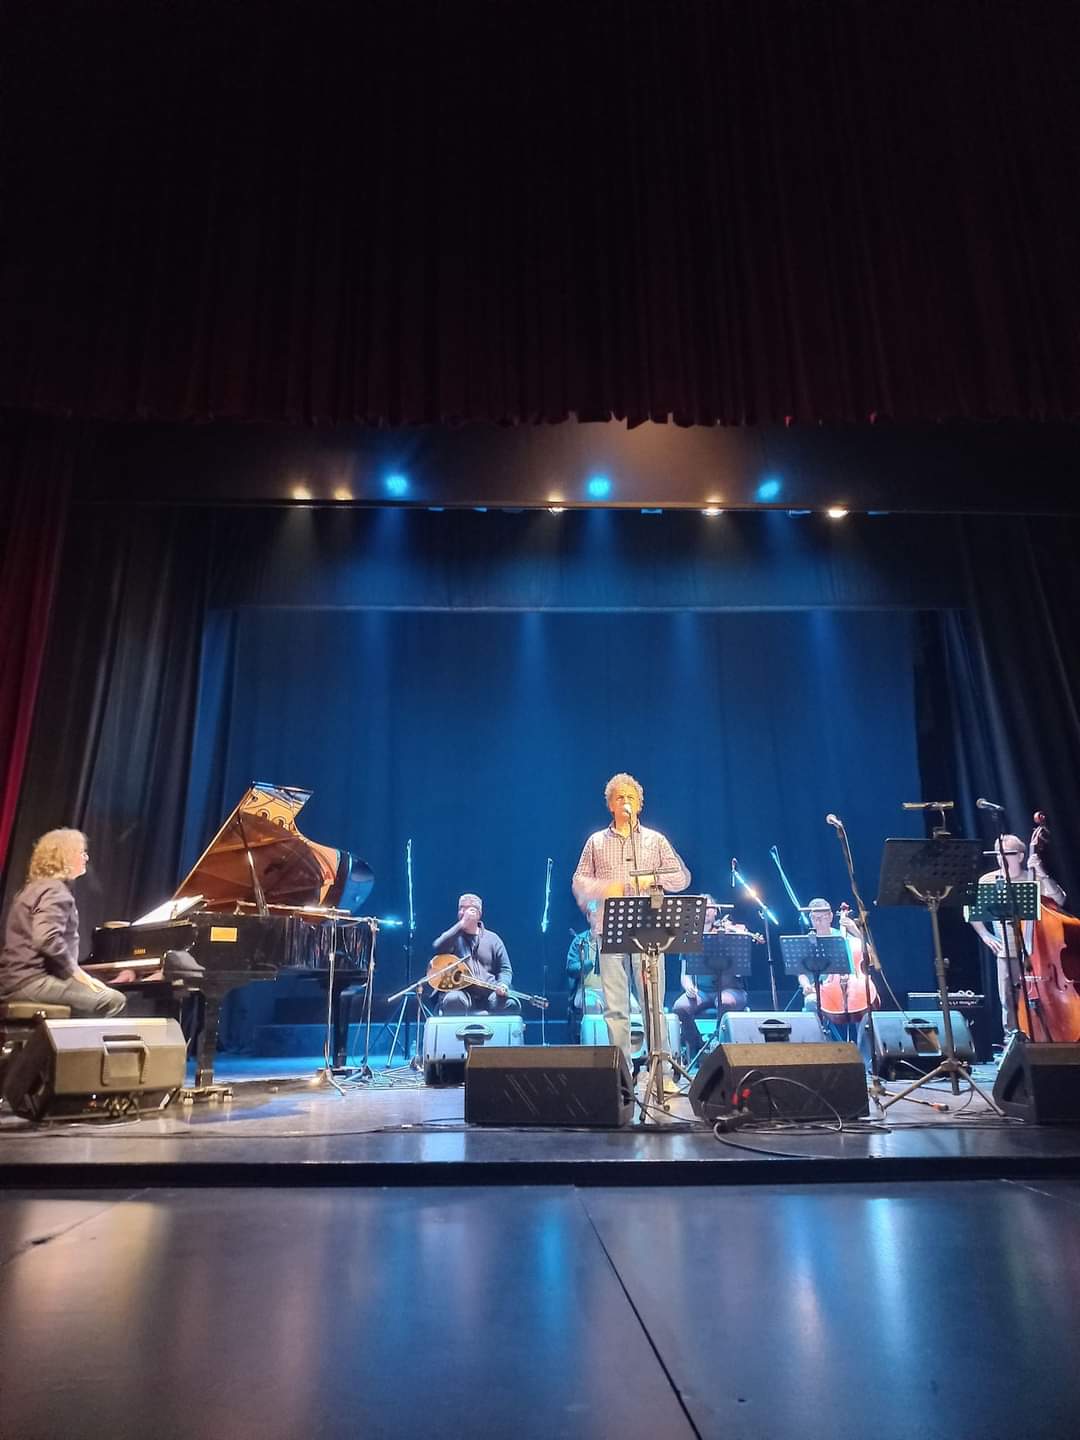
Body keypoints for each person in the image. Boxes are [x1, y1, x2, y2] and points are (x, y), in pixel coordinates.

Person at [572, 772, 691, 1084]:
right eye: (619, 797)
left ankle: (661, 1073)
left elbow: (681, 877)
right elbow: (579, 882)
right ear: (610, 805)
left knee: (653, 1004)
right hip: (609, 927)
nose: (625, 802)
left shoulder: (655, 840)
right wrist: (605, 888)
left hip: (650, 930)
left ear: (639, 804)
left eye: (631, 798)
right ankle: (622, 1074)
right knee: (615, 1007)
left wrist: (653, 878)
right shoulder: (596, 842)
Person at [0, 829, 125, 1016]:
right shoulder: (56, 891)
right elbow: (46, 938)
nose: (86, 857)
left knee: (92, 990)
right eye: (82, 852)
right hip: (31, 981)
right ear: (65, 856)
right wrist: (76, 972)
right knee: (113, 1000)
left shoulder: (33, 888)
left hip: (14, 980)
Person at [969, 833, 1065, 1040]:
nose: (1001, 858)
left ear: (1020, 856)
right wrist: (985, 935)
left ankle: (1046, 1037)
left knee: (1042, 997)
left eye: (1007, 853)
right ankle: (1012, 1041)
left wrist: (1040, 871)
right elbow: (970, 911)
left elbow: (1060, 900)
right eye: (998, 854)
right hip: (1007, 951)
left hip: (1038, 951)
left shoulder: (1033, 877)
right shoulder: (988, 880)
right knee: (1008, 999)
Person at [673, 898, 750, 1056]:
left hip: (730, 989)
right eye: (701, 907)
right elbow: (685, 973)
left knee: (725, 1001)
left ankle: (720, 1045)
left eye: (709, 907)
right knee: (680, 1007)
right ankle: (697, 1045)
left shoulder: (725, 932)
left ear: (715, 911)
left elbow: (744, 943)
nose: (705, 910)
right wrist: (688, 986)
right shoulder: (690, 936)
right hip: (702, 991)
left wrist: (735, 932)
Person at [430, 893, 519, 1016]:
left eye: (468, 909)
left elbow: (505, 969)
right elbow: (438, 947)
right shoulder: (453, 937)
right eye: (461, 908)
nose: (463, 912)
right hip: (461, 991)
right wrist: (462, 924)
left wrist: (503, 984)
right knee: (453, 1000)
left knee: (509, 1004)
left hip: (490, 992)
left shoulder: (493, 939)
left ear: (478, 914)